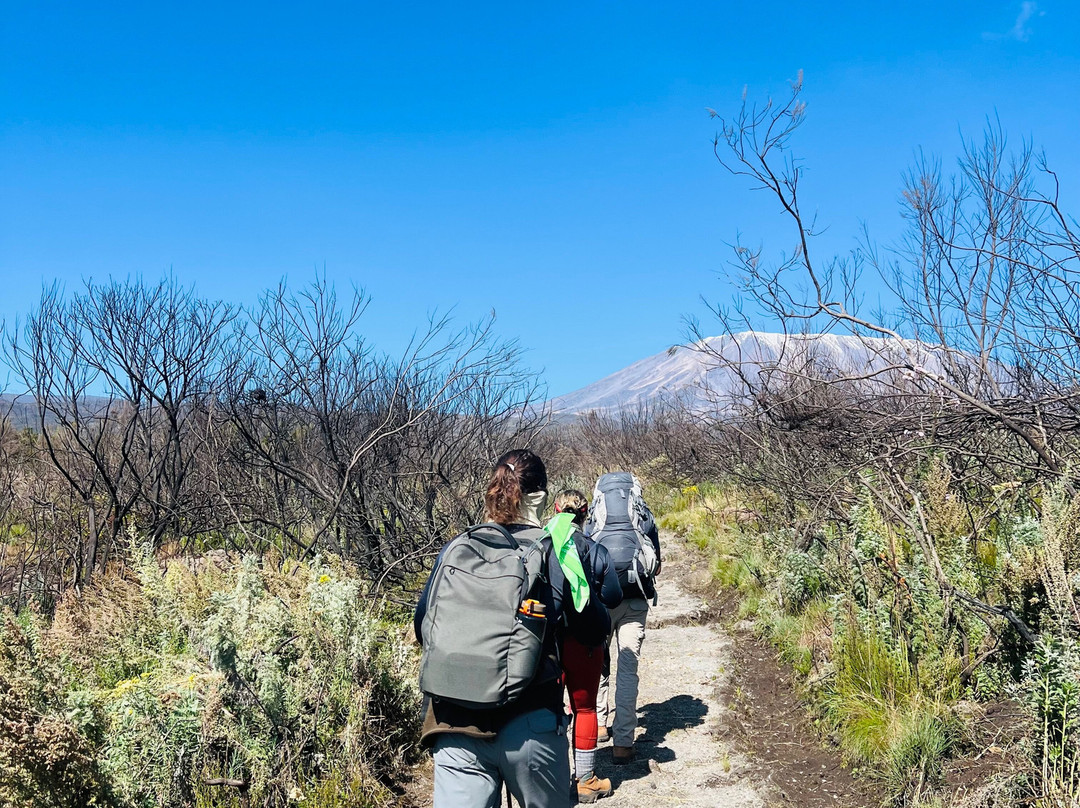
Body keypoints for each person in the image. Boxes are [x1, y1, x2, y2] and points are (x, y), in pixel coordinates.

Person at [414, 449, 607, 808]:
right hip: (529, 722)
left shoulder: (458, 547)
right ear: (542, 497)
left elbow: (422, 624)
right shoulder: (555, 552)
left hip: (454, 723)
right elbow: (593, 628)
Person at [552, 490, 623, 803]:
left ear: (556, 509)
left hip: (548, 643)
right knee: (586, 709)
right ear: (586, 513)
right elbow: (613, 597)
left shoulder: (541, 545)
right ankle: (586, 780)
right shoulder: (596, 550)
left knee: (548, 710)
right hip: (585, 644)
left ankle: (550, 780)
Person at [586, 472, 662, 764]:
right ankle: (624, 743)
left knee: (598, 661)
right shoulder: (643, 515)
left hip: (602, 600)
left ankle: (599, 726)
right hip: (634, 601)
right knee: (627, 669)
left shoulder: (595, 515)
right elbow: (655, 566)